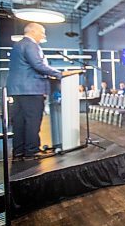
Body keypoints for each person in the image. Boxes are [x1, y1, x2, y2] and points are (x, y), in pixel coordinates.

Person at [6, 23, 81, 160]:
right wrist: (60, 74)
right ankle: (31, 151)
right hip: (31, 89)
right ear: (34, 31)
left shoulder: (17, 45)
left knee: (19, 122)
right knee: (32, 121)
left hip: (18, 90)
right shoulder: (31, 45)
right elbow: (38, 65)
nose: (44, 35)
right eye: (42, 32)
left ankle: (18, 152)